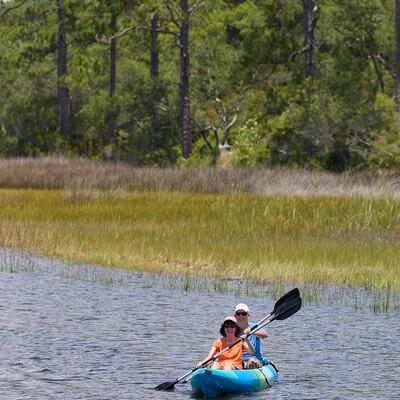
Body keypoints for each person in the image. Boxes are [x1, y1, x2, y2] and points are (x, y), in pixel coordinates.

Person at [234, 303, 268, 369]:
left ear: (248, 315)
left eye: (244, 314)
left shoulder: (253, 326)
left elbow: (265, 335)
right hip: (238, 360)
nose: (241, 316)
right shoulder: (231, 329)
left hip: (254, 360)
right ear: (235, 316)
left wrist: (252, 332)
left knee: (251, 361)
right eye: (238, 314)